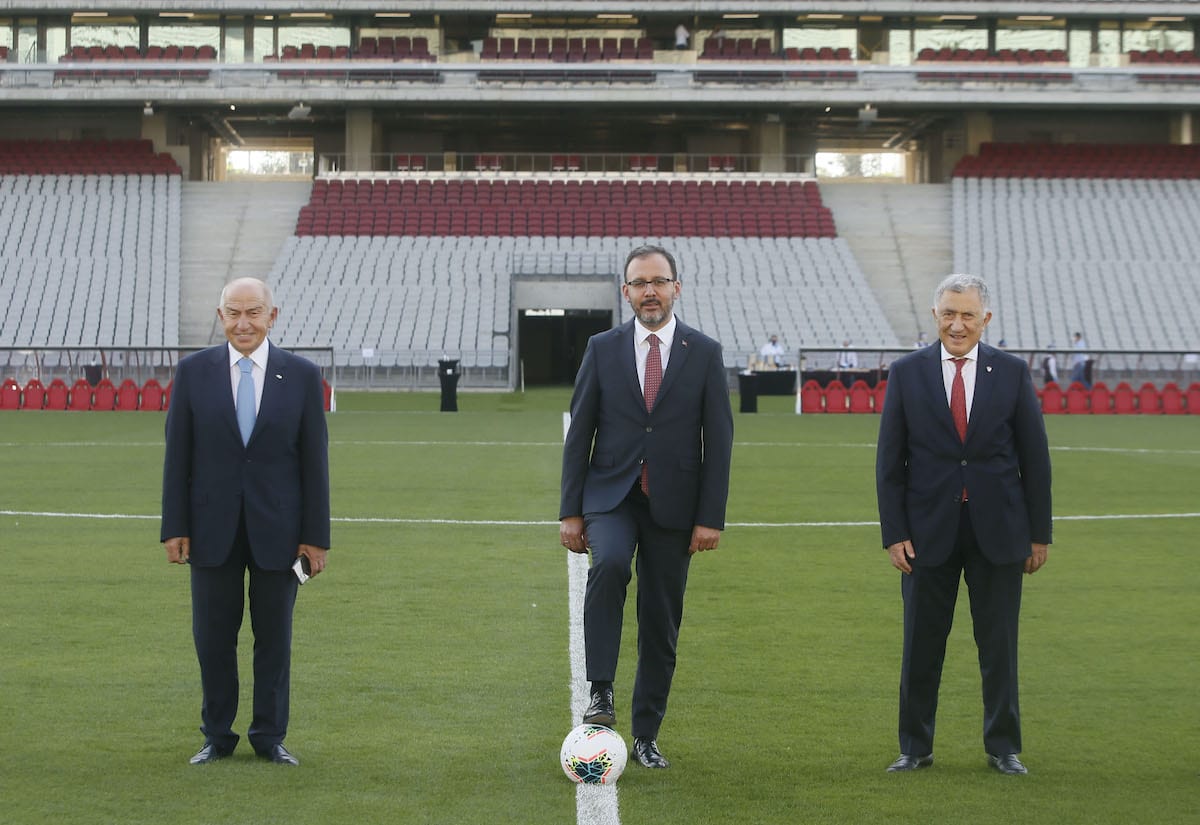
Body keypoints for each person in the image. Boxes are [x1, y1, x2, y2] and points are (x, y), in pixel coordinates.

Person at [560, 245, 734, 770]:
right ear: (626, 292)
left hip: (675, 506)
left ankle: (646, 734)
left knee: (661, 619)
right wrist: (571, 511)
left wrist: (710, 517)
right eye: (640, 283)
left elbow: (718, 440)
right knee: (609, 564)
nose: (650, 291)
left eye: (659, 281)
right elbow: (580, 431)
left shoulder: (703, 352)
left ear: (676, 288)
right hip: (611, 495)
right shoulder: (602, 347)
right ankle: (602, 690)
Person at [875, 273, 1051, 777]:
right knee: (920, 646)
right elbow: (890, 461)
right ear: (935, 316)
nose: (957, 324)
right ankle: (915, 746)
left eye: (968, 315)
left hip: (1000, 532)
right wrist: (894, 532)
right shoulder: (907, 372)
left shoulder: (1012, 372)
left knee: (999, 647)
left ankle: (1003, 747)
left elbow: (1034, 461)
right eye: (949, 313)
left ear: (985, 319)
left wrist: (1039, 534)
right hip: (926, 534)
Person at [162, 277, 331, 768]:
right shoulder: (193, 373)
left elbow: (314, 464)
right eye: (233, 313)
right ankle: (217, 735)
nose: (243, 323)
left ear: (271, 317)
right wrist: (174, 526)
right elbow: (178, 456)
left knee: (274, 638)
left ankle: (268, 736)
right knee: (212, 637)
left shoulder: (300, 375)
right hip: (209, 531)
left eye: (253, 312)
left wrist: (315, 538)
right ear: (220, 318)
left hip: (279, 533)